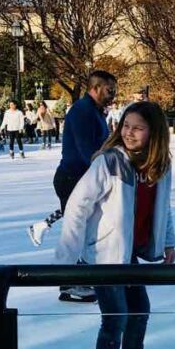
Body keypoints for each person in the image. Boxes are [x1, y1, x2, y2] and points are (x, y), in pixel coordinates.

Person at [55, 101, 175, 349]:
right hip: (106, 256)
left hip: (129, 256)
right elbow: (77, 207)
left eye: (137, 127)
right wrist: (67, 263)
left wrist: (168, 240)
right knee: (115, 321)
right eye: (126, 125)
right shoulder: (109, 163)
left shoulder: (158, 166)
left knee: (139, 310)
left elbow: (164, 208)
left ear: (154, 133)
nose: (129, 132)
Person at [27, 70, 117, 304]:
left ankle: (78, 276)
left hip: (83, 178)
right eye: (110, 90)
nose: (113, 95)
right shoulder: (82, 111)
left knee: (86, 228)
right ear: (95, 88)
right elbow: (89, 151)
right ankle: (69, 282)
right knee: (76, 230)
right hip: (73, 179)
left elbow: (100, 147)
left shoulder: (94, 111)